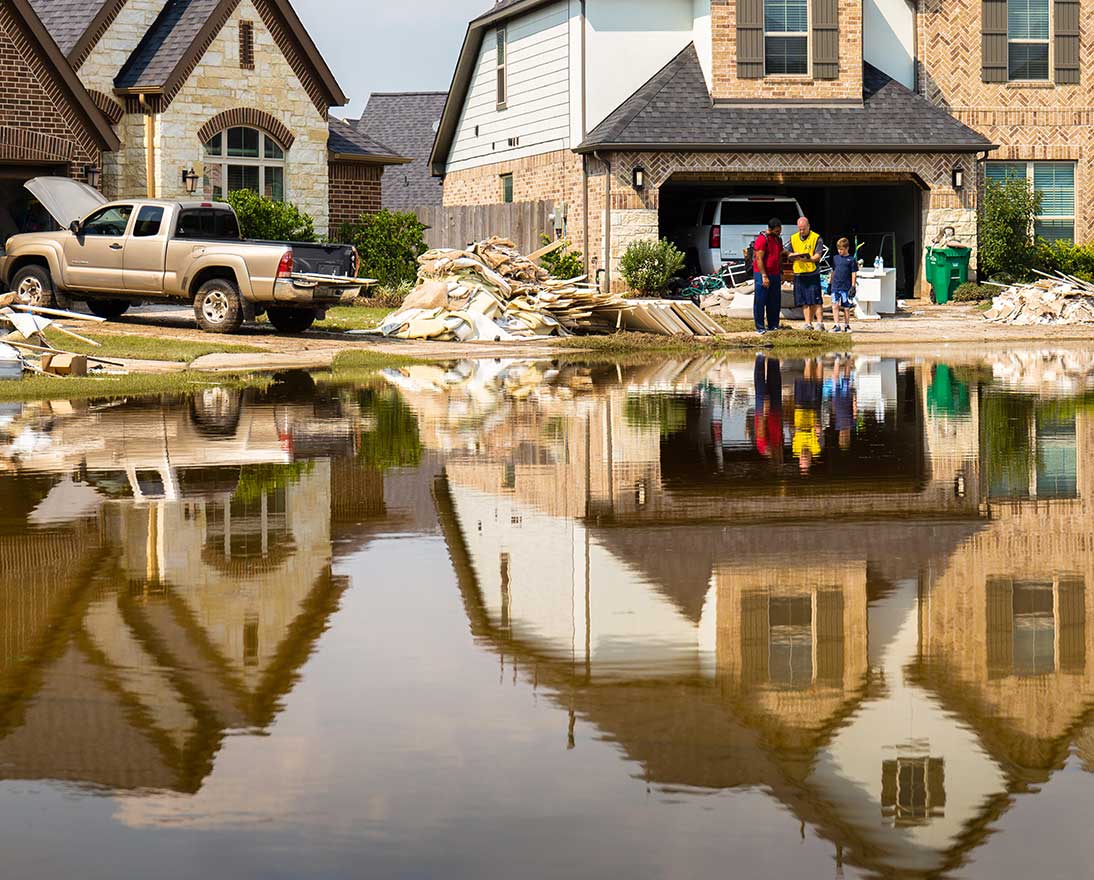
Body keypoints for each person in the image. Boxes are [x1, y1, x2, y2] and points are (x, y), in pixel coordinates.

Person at [789, 217, 826, 331]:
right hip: (799, 273)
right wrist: (792, 255)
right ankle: (807, 323)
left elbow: (818, 255)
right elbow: (787, 251)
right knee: (804, 301)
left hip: (812, 273)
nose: (801, 231)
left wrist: (808, 260)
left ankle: (819, 323)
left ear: (808, 226)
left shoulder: (816, 238)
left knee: (815, 299)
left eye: (803, 229)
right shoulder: (793, 238)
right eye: (800, 229)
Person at [752, 218, 784, 335]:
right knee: (760, 300)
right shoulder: (762, 239)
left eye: (779, 231)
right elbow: (759, 258)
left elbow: (780, 255)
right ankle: (760, 327)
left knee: (774, 300)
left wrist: (781, 271)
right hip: (763, 273)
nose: (778, 233)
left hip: (775, 273)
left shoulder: (778, 240)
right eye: (776, 231)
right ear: (770, 229)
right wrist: (764, 276)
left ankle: (773, 325)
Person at [792, 358, 824, 474]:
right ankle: (817, 361)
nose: (803, 456)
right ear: (810, 459)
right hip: (812, 411)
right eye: (805, 459)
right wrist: (818, 429)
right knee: (813, 383)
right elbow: (819, 432)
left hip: (799, 410)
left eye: (802, 459)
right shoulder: (816, 449)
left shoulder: (795, 449)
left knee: (805, 381)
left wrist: (795, 429)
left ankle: (808, 361)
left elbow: (793, 433)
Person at [753, 353, 784, 466]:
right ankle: (773, 355)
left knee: (760, 380)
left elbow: (761, 431)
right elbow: (779, 428)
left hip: (765, 412)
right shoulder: (778, 445)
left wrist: (765, 413)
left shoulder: (765, 449)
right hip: (776, 411)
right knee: (775, 376)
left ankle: (760, 356)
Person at [828, 237, 857, 333]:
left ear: (847, 248)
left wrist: (853, 286)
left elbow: (853, 273)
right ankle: (836, 325)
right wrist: (830, 283)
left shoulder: (851, 260)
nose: (839, 251)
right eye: (838, 249)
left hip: (846, 287)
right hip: (835, 286)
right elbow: (833, 271)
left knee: (846, 307)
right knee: (835, 305)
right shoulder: (835, 258)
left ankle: (847, 325)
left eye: (841, 249)